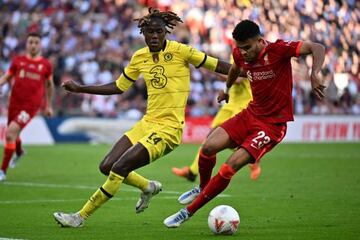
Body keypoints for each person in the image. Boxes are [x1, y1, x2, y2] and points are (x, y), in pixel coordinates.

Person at [53, 8, 232, 228]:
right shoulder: (139, 57)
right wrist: (81, 88)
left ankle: (80, 217)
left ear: (165, 33)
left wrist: (248, 70)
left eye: (158, 32)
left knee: (120, 167)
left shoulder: (182, 51)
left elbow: (217, 65)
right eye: (150, 32)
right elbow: (119, 87)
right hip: (147, 123)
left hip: (168, 130)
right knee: (106, 165)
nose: (154, 36)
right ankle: (148, 187)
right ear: (143, 34)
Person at [164, 19, 326, 228]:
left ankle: (187, 212)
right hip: (250, 114)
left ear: (259, 40)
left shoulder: (279, 49)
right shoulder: (239, 53)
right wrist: (227, 89)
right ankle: (202, 188)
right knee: (208, 147)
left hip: (272, 126)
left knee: (229, 167)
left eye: (248, 47)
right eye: (240, 48)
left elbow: (317, 47)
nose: (244, 52)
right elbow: (234, 69)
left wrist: (314, 73)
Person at [171, 76, 262, 182]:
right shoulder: (232, 58)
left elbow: (238, 80)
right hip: (230, 104)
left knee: (229, 140)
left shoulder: (245, 59)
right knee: (211, 137)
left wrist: (216, 70)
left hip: (243, 105)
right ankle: (192, 172)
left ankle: (253, 159)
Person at [0, 32, 54, 181]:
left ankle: (2, 171)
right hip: (14, 103)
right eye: (31, 42)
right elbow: (6, 77)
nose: (33, 45)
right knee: (13, 134)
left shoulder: (45, 65)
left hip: (30, 106)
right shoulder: (18, 61)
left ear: (40, 44)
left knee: (10, 133)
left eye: (36, 42)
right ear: (26, 44)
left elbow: (50, 85)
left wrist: (48, 105)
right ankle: (19, 151)